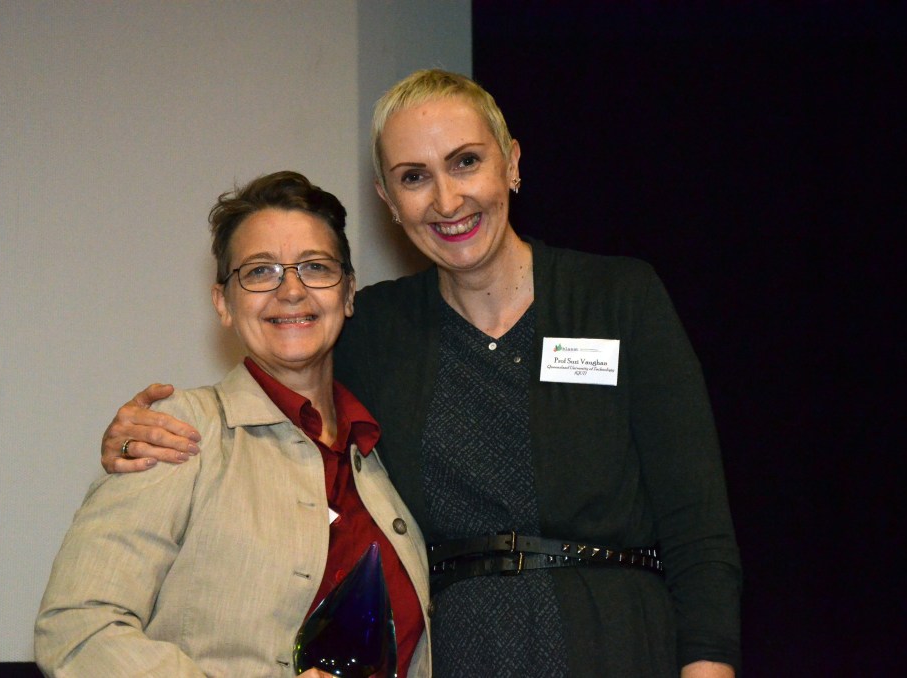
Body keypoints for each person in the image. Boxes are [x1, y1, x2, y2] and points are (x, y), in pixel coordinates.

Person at [101, 70, 742, 677]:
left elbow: (699, 525)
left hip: (621, 643)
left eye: (466, 162)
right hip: (456, 652)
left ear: (512, 164)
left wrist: (708, 663)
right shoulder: (371, 331)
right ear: (388, 201)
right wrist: (143, 431)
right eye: (414, 176)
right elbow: (280, 398)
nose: (446, 199)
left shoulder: (617, 297)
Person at [36, 171, 431, 677]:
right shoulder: (182, 434)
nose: (291, 290)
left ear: (349, 292)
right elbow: (76, 629)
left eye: (315, 266)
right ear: (223, 302)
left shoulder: (385, 452)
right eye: (260, 272)